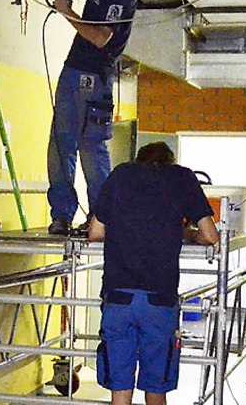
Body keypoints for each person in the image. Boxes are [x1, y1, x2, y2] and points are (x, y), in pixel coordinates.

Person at [88, 142, 220, 405]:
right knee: (155, 386)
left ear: (139, 161)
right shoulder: (182, 178)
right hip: (159, 301)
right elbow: (211, 235)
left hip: (118, 297)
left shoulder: (121, 175)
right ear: (169, 162)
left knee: (120, 389)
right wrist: (183, 232)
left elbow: (95, 232)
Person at [47, 0, 137, 236]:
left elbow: (102, 37)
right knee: (63, 145)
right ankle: (62, 216)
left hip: (92, 75)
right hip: (77, 71)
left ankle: (100, 218)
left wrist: (67, 12)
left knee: (88, 146)